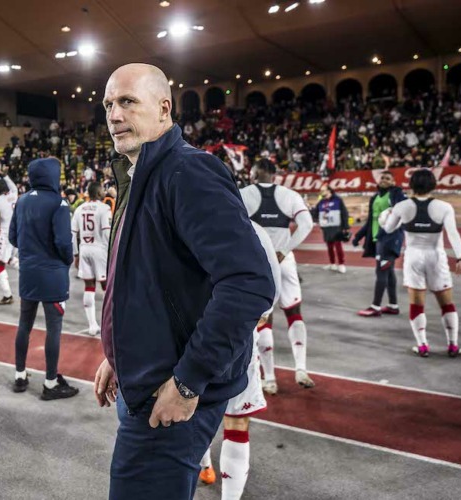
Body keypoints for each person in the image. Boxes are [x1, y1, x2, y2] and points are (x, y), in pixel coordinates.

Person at [93, 63, 276, 500]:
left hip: (168, 391)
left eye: (127, 102)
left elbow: (248, 283)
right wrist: (118, 350)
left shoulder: (187, 172)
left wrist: (189, 380)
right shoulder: (142, 175)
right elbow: (147, 281)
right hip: (145, 377)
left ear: (163, 108)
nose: (114, 115)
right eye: (108, 105)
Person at [198, 225, 281, 499]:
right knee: (237, 422)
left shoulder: (173, 221)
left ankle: (205, 467)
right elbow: (272, 292)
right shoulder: (253, 230)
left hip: (189, 340)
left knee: (194, 414)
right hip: (238, 339)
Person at [241, 160, 315, 395]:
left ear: (253, 174)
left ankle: (270, 378)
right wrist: (286, 249)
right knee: (294, 312)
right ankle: (301, 368)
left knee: (264, 319)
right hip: (285, 262)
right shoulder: (290, 195)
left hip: (258, 263)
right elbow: (306, 224)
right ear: (275, 176)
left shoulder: (243, 194)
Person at [9, 157, 78, 400]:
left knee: (24, 324)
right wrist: (68, 259)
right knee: (54, 329)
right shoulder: (59, 203)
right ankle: (50, 382)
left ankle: (19, 374)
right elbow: (62, 241)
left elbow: (12, 238)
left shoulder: (22, 201)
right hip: (52, 275)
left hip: (28, 273)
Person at [380, 169, 461, 357]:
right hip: (436, 256)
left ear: (412, 185)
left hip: (413, 257)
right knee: (446, 302)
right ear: (433, 184)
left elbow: (388, 228)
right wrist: (460, 257)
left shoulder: (402, 206)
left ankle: (423, 345)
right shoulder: (444, 207)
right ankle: (453, 345)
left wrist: (385, 215)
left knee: (417, 304)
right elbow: (453, 233)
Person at [353, 170, 406, 317]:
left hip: (390, 240)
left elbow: (401, 215)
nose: (384, 180)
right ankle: (393, 305)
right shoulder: (375, 197)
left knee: (381, 272)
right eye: (382, 177)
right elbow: (371, 221)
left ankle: (375, 307)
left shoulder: (396, 194)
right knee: (388, 272)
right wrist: (359, 236)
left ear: (393, 182)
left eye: (388, 178)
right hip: (378, 240)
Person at [71, 181, 112, 336]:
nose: (104, 191)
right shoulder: (104, 208)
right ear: (98, 192)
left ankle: (92, 325)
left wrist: (75, 254)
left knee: (89, 286)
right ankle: (111, 324)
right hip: (99, 249)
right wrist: (112, 252)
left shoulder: (79, 209)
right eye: (102, 189)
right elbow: (107, 233)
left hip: (84, 250)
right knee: (107, 287)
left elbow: (72, 234)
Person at [0, 172, 19, 305]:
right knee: (11, 259)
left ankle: (7, 295)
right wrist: (6, 175)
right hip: (17, 233)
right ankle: (33, 274)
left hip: (6, 235)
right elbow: (13, 186)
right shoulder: (14, 194)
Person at [312, 185, 350, 273]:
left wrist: (346, 226)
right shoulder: (321, 202)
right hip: (326, 227)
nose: (321, 192)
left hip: (337, 227)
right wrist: (318, 221)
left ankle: (341, 264)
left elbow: (344, 213)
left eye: (323, 190)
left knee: (338, 246)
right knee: (329, 247)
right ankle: (332, 264)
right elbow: (315, 213)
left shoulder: (338, 199)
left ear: (329, 190)